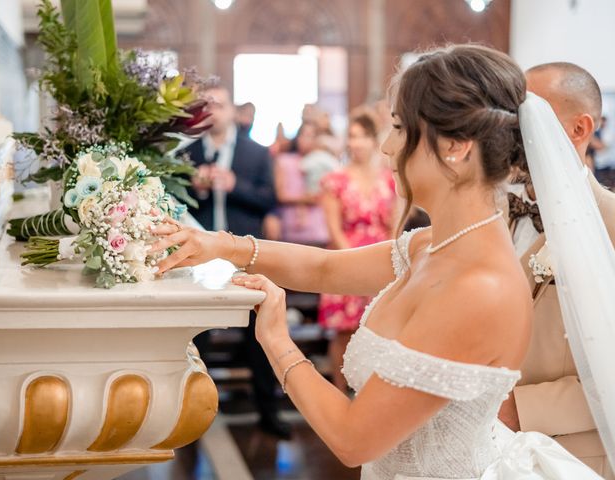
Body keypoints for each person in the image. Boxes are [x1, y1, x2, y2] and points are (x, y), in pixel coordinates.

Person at [153, 45, 603, 479]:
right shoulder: (432, 245)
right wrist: (219, 245)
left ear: (456, 147)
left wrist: (275, 338)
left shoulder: (477, 286)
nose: (388, 148)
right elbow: (324, 269)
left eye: (401, 128)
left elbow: (352, 441)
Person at [498, 62, 615, 478]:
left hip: (575, 458)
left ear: (580, 129)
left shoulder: (612, 224)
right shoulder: (488, 214)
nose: (510, 134)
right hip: (483, 450)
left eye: (526, 117)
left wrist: (519, 408)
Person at [176, 86, 290, 438]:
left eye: (219, 105)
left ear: (231, 112)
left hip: (247, 254)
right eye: (206, 105)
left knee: (258, 337)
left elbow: (268, 200)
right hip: (198, 261)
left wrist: (234, 184)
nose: (213, 111)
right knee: (199, 337)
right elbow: (175, 206)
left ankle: (268, 413)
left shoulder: (256, 153)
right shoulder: (188, 153)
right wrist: (197, 190)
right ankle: (194, 419)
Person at [317, 113, 398, 391]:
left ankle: (372, 397)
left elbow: (395, 226)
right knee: (344, 333)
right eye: (352, 136)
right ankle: (340, 394)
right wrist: (355, 264)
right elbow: (334, 229)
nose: (357, 142)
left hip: (382, 259)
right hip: (346, 258)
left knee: (379, 332)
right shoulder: (334, 180)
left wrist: (390, 260)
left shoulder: (389, 180)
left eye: (362, 136)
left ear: (374, 141)